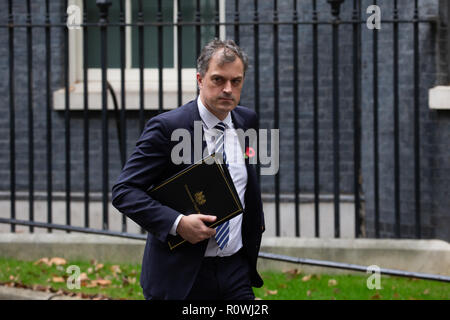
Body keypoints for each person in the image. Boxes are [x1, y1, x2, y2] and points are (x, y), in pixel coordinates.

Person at [112, 39, 265, 300]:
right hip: (182, 276)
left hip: (234, 269)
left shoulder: (246, 121)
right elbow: (124, 191)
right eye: (218, 80)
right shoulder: (167, 128)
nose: (228, 89)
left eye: (236, 81)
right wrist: (178, 223)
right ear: (200, 79)